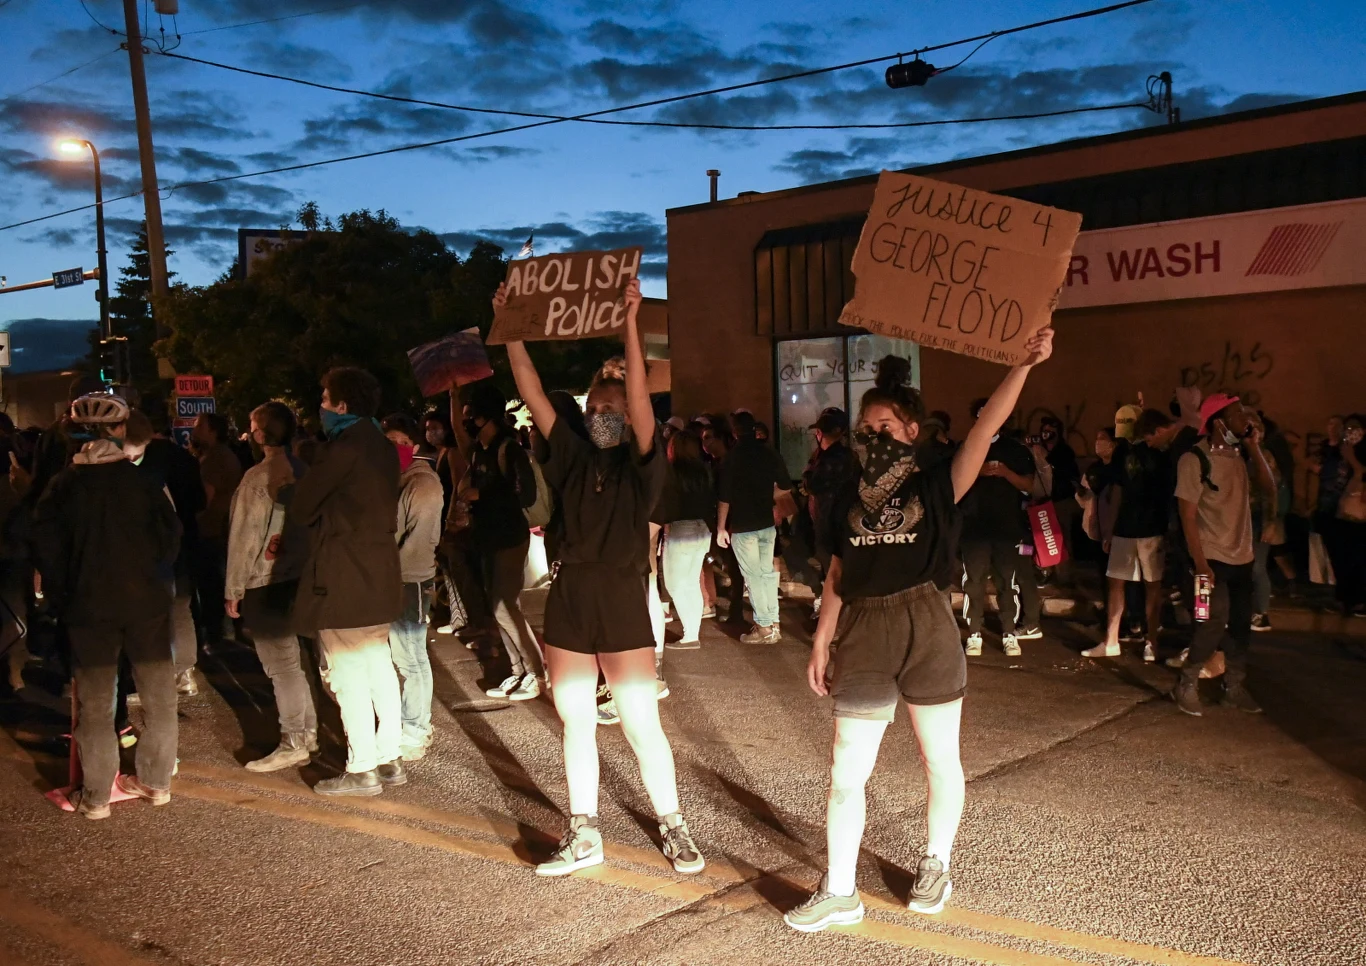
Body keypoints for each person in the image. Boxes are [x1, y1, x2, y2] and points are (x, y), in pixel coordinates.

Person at [787, 329, 1055, 932]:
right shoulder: (843, 499)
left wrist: (1022, 363)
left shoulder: (937, 484)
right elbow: (836, 571)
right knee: (846, 768)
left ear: (912, 432)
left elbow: (987, 428)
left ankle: (936, 863)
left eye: (887, 428)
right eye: (868, 429)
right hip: (864, 629)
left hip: (926, 622)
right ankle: (841, 890)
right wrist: (823, 639)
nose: (875, 437)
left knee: (940, 760)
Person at [502, 277, 705, 878]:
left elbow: (642, 405)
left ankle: (674, 825)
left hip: (620, 594)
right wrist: (511, 328)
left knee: (642, 723)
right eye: (596, 405)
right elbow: (533, 390)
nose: (604, 412)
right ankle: (584, 831)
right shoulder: (569, 454)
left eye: (613, 406)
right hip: (570, 596)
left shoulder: (644, 466)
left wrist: (631, 324)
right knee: (576, 720)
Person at [31, 394, 181, 819]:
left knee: (95, 705)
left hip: (88, 609)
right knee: (158, 696)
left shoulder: (62, 487)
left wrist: (63, 596)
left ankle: (96, 796)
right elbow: (170, 538)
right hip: (146, 605)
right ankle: (155, 782)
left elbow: (46, 549)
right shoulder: (143, 482)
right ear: (119, 432)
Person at [292, 367, 405, 796]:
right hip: (378, 573)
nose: (320, 407)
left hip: (344, 576)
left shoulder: (346, 446)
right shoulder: (379, 444)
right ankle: (390, 756)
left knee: (347, 675)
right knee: (379, 667)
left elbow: (304, 505)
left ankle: (362, 768)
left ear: (341, 405)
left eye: (324, 399)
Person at [223, 402, 318, 772]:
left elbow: (245, 537)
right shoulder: (302, 469)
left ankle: (294, 738)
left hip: (265, 579)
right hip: (299, 575)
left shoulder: (258, 477)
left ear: (261, 434)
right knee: (295, 663)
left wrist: (234, 588)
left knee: (281, 666)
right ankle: (307, 731)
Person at [1171, 393, 1275, 716]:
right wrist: (1200, 564)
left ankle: (1234, 686)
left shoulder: (1242, 456)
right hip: (1210, 555)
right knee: (1214, 620)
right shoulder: (1194, 460)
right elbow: (1187, 516)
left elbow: (1269, 487)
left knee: (1241, 623)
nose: (1246, 419)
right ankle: (1186, 682)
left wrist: (1254, 446)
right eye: (1238, 414)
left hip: (1242, 556)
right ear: (1219, 422)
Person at [458, 381, 544, 701]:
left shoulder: (508, 448)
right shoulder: (480, 450)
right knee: (500, 609)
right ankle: (519, 670)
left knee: (506, 607)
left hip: (509, 536)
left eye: (472, 415)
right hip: (487, 537)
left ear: (487, 415)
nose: (467, 421)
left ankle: (535, 672)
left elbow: (526, 493)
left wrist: (483, 494)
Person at [1083, 409, 1176, 662]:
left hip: (1150, 529)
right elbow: (1118, 491)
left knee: (1148, 587)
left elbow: (1164, 495)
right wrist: (1110, 530)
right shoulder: (1129, 452)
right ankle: (1114, 640)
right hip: (1131, 528)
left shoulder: (1161, 453)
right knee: (1122, 583)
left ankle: (1149, 641)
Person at [381, 414, 445, 760]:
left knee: (411, 658)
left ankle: (416, 728)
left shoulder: (422, 485)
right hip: (393, 578)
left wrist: (392, 572)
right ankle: (409, 724)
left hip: (409, 580)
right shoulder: (397, 479)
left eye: (401, 443)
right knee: (400, 656)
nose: (394, 449)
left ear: (415, 447)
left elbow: (417, 542)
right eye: (388, 442)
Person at [959, 398, 1036, 656]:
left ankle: (1008, 632)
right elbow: (952, 482)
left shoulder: (1015, 450)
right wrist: (977, 471)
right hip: (973, 528)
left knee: (1007, 580)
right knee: (974, 581)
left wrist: (1005, 473)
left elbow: (1029, 485)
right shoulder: (966, 448)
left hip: (1006, 527)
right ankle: (974, 633)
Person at [717, 410, 794, 644]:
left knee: (753, 576)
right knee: (767, 574)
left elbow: (724, 497)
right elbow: (785, 486)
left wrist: (721, 527)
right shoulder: (769, 453)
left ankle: (763, 626)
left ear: (734, 432)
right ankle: (773, 622)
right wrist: (770, 498)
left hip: (743, 524)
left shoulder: (732, 458)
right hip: (766, 523)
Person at [658, 430, 716, 650]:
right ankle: (692, 633)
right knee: (690, 582)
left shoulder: (672, 472)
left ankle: (690, 635)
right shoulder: (703, 471)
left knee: (675, 584)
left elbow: (667, 503)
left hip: (681, 528)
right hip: (702, 527)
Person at [802, 408, 861, 618]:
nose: (819, 436)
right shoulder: (837, 456)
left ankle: (838, 621)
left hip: (832, 524)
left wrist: (809, 472)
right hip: (830, 523)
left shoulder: (834, 457)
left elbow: (815, 484)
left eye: (822, 432)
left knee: (834, 574)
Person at [191, 412, 244, 650]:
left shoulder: (215, 459)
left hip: (213, 530)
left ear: (212, 431)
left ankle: (217, 638)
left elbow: (205, 498)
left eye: (199, 426)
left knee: (212, 586)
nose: (194, 429)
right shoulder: (221, 455)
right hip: (221, 529)